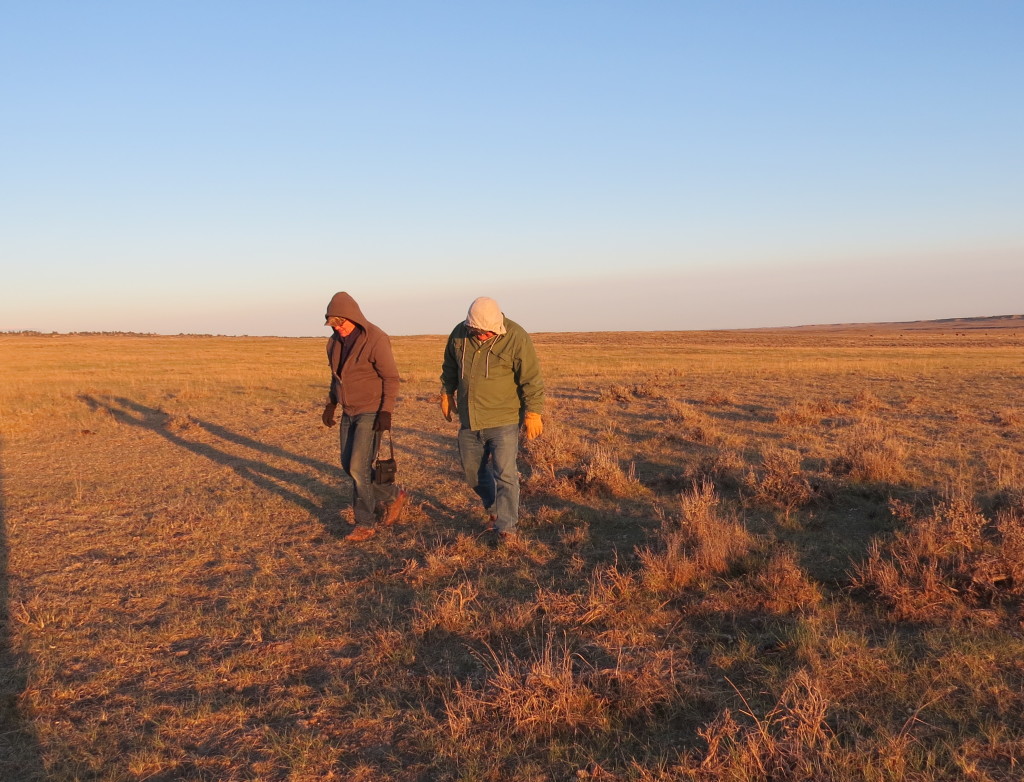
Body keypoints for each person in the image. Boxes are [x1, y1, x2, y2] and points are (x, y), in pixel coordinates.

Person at [440, 296, 544, 543]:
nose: (481, 336)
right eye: (476, 331)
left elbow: (531, 378)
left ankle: (506, 529)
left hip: (504, 418)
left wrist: (533, 412)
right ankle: (495, 509)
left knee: (505, 474)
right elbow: (450, 367)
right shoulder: (459, 334)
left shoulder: (516, 336)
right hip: (470, 418)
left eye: (486, 333)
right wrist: (446, 392)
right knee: (472, 474)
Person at [322, 291, 407, 541]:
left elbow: (390, 378)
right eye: (334, 325)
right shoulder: (333, 343)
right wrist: (330, 404)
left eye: (342, 324)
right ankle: (393, 495)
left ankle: (365, 524)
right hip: (348, 411)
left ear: (354, 318)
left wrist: (386, 412)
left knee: (358, 468)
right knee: (349, 465)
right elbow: (336, 377)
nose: (339, 330)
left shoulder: (376, 339)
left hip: (371, 410)